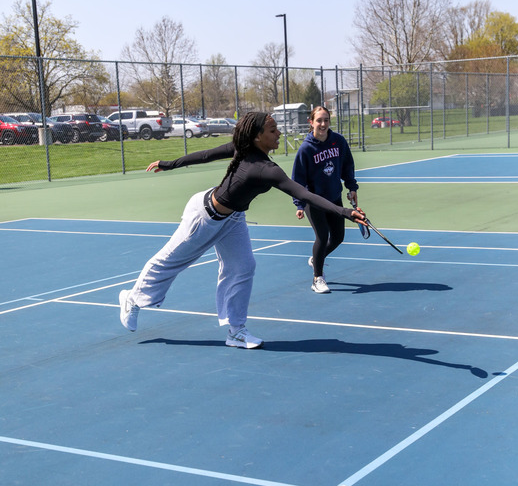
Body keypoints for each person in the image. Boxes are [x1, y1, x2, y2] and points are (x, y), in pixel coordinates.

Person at [119, 112, 366, 349]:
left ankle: (236, 331)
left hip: (234, 219)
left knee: (243, 267)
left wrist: (344, 212)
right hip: (204, 217)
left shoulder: (268, 167)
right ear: (258, 136)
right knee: (170, 261)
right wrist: (169, 164)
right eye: (273, 130)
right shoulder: (252, 157)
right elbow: (206, 155)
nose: (279, 133)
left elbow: (304, 193)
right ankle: (133, 298)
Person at [291, 106, 360, 294]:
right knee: (322, 237)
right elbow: (298, 179)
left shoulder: (338, 141)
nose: (323, 124)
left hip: (334, 198)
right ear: (311, 122)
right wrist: (299, 204)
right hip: (313, 201)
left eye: (326, 120)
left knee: (338, 237)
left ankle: (316, 259)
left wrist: (352, 187)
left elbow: (347, 165)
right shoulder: (306, 149)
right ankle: (317, 278)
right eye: (319, 120)